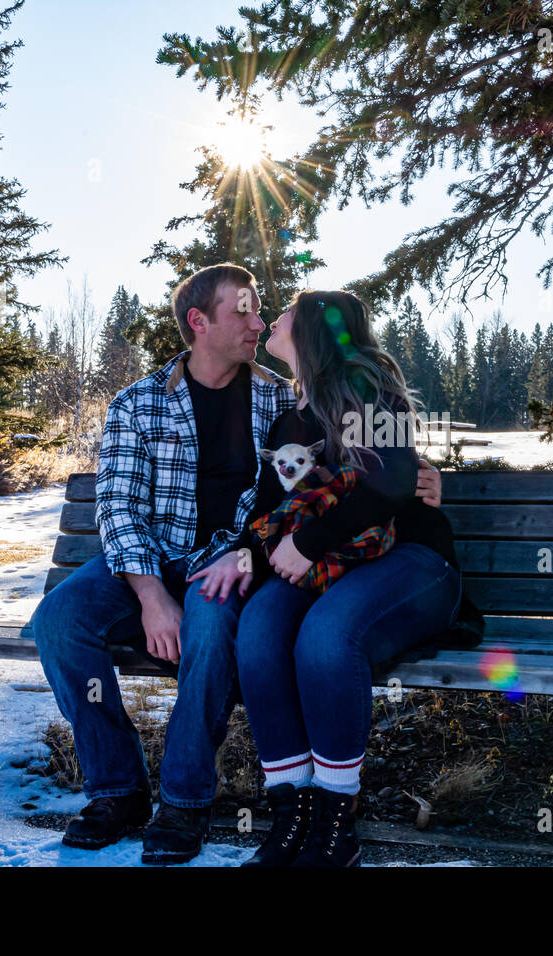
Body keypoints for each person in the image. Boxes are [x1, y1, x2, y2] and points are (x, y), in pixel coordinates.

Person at [30, 264, 446, 865]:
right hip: (147, 559)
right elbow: (117, 509)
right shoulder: (138, 405)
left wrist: (418, 476)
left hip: (226, 560)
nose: (258, 322)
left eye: (262, 313)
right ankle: (117, 789)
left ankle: (183, 800)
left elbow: (356, 450)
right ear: (199, 323)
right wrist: (151, 596)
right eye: (243, 312)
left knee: (214, 624)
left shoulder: (279, 396)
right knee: (59, 622)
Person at [225, 290, 462, 867]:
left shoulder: (368, 391)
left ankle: (335, 824)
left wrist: (305, 545)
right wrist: (246, 557)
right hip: (336, 567)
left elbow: (390, 483)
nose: (272, 318)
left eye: (283, 312)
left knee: (327, 636)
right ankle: (293, 815)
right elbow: (264, 510)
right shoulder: (290, 417)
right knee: (258, 628)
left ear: (309, 328)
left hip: (412, 564)